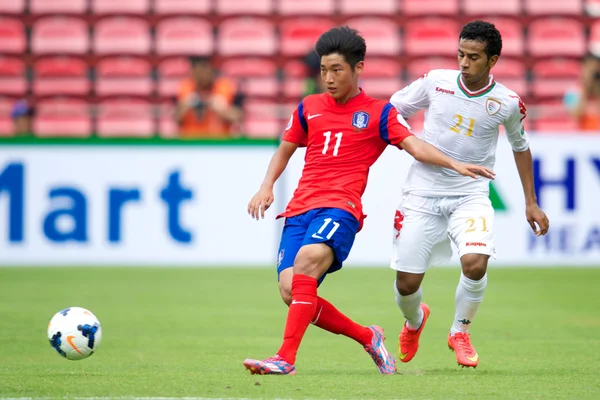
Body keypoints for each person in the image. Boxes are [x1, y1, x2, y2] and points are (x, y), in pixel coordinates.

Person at [242, 26, 495, 376]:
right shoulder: (309, 107)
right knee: (291, 291)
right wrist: (266, 186)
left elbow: (415, 146)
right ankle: (368, 336)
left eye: (337, 70)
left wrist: (454, 163)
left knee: (307, 261)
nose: (328, 78)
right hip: (300, 208)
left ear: (358, 67)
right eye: (323, 70)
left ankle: (285, 358)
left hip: (340, 207)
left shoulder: (378, 113)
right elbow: (284, 149)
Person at [388, 20, 550, 369]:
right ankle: (415, 320)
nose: (464, 63)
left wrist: (531, 201)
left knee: (475, 262)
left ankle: (459, 331)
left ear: (492, 61)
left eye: (473, 57)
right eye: (461, 54)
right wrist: (410, 144)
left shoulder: (507, 102)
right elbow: (392, 110)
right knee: (406, 283)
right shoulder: (436, 82)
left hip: (471, 194)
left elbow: (520, 148)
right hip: (422, 192)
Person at [174, 56, 243, 138]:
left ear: (212, 71)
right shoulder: (185, 88)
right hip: (190, 142)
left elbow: (238, 117)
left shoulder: (225, 87)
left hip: (218, 142)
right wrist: (186, 105)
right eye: (198, 72)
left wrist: (221, 108)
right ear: (192, 73)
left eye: (205, 71)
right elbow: (176, 119)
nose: (202, 76)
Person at [564, 54, 600, 131]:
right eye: (589, 68)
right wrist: (586, 89)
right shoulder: (573, 91)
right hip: (583, 137)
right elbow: (576, 114)